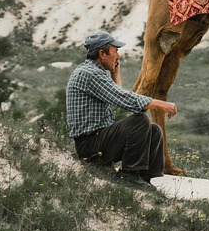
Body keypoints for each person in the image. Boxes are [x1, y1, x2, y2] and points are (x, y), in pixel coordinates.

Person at [66, 31, 177, 189]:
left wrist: (115, 73)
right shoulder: (90, 74)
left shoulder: (94, 72)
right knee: (140, 121)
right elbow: (125, 99)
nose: (118, 56)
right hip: (90, 145)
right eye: (115, 51)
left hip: (98, 139)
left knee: (154, 130)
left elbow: (116, 95)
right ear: (102, 54)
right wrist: (162, 104)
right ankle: (128, 175)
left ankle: (144, 178)